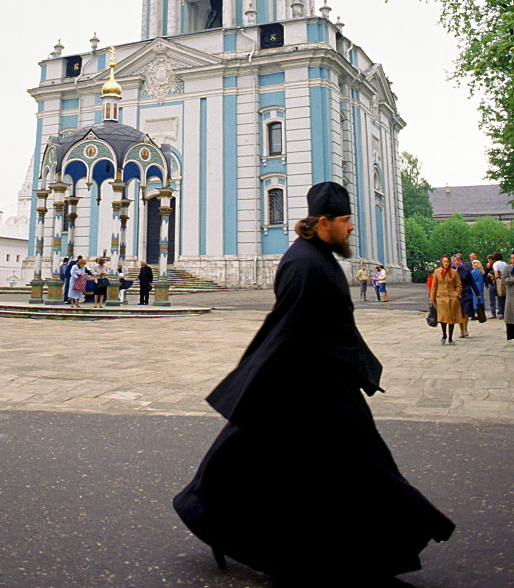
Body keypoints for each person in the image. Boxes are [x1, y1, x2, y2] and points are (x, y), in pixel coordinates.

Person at [173, 182, 454, 586]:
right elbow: (288, 330)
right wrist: (275, 386)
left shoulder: (317, 256)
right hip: (313, 389)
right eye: (344, 220)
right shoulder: (305, 263)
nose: (352, 227)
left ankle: (224, 522)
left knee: (284, 469)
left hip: (321, 384)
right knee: (359, 471)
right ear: (323, 223)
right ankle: (363, 561)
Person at [430, 256, 462, 346]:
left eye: (447, 262)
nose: (446, 263)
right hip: (441, 298)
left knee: (452, 318)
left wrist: (457, 294)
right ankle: (444, 335)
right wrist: (432, 299)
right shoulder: (437, 272)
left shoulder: (454, 272)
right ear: (441, 262)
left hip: (452, 297)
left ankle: (451, 338)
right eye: (444, 262)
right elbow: (434, 286)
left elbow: (458, 285)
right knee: (443, 317)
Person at [451, 253, 479, 337]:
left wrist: (477, 293)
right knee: (459, 312)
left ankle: (465, 329)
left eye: (458, 260)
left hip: (466, 292)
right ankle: (461, 330)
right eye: (455, 260)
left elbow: (472, 282)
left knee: (465, 311)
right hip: (457, 294)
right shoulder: (451, 271)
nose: (456, 262)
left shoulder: (465, 270)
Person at [502, 251, 514, 343]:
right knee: (511, 317)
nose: (513, 260)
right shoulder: (507, 268)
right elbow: (503, 279)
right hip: (511, 295)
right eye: (512, 258)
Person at [493, 252, 507, 319]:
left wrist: (494, 279)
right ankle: (506, 311)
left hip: (499, 281)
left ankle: (500, 312)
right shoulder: (504, 263)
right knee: (505, 297)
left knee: (500, 296)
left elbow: (496, 274)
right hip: (506, 280)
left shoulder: (495, 264)